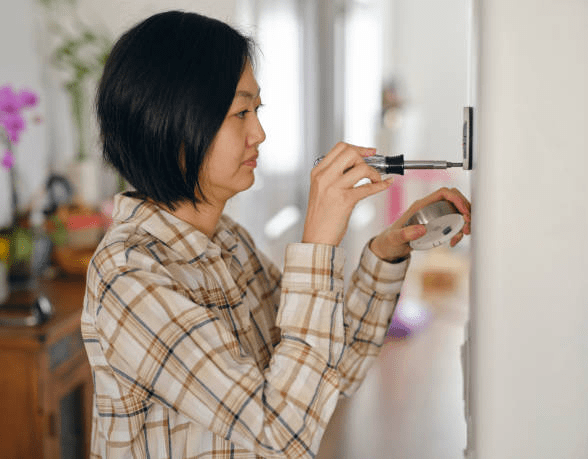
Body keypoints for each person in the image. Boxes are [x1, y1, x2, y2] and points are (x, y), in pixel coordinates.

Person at [81, 10, 471, 459]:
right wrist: (316, 245)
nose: (259, 133)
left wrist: (386, 251)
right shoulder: (129, 278)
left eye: (257, 110)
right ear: (175, 124)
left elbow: (331, 371)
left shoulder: (227, 242)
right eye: (240, 112)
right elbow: (281, 434)